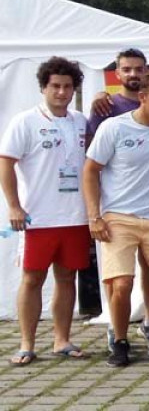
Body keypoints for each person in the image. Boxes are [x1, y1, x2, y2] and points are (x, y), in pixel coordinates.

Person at [83, 72, 149, 367]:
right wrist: (95, 216)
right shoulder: (114, 128)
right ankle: (118, 340)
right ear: (142, 97)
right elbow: (90, 171)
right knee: (122, 284)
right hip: (118, 217)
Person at [0, 57, 90, 366]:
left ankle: (61, 339)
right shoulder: (25, 121)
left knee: (67, 278)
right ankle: (27, 343)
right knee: (32, 279)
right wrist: (13, 205)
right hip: (38, 217)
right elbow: (6, 162)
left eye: (67, 87)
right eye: (55, 86)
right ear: (44, 87)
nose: (62, 92)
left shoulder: (80, 120)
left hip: (75, 216)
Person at [85, 48, 149, 348]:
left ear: (147, 73)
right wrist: (95, 212)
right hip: (116, 207)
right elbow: (92, 160)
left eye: (139, 69)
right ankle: (115, 330)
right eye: (127, 69)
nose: (133, 74)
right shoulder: (105, 107)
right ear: (117, 74)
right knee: (118, 276)